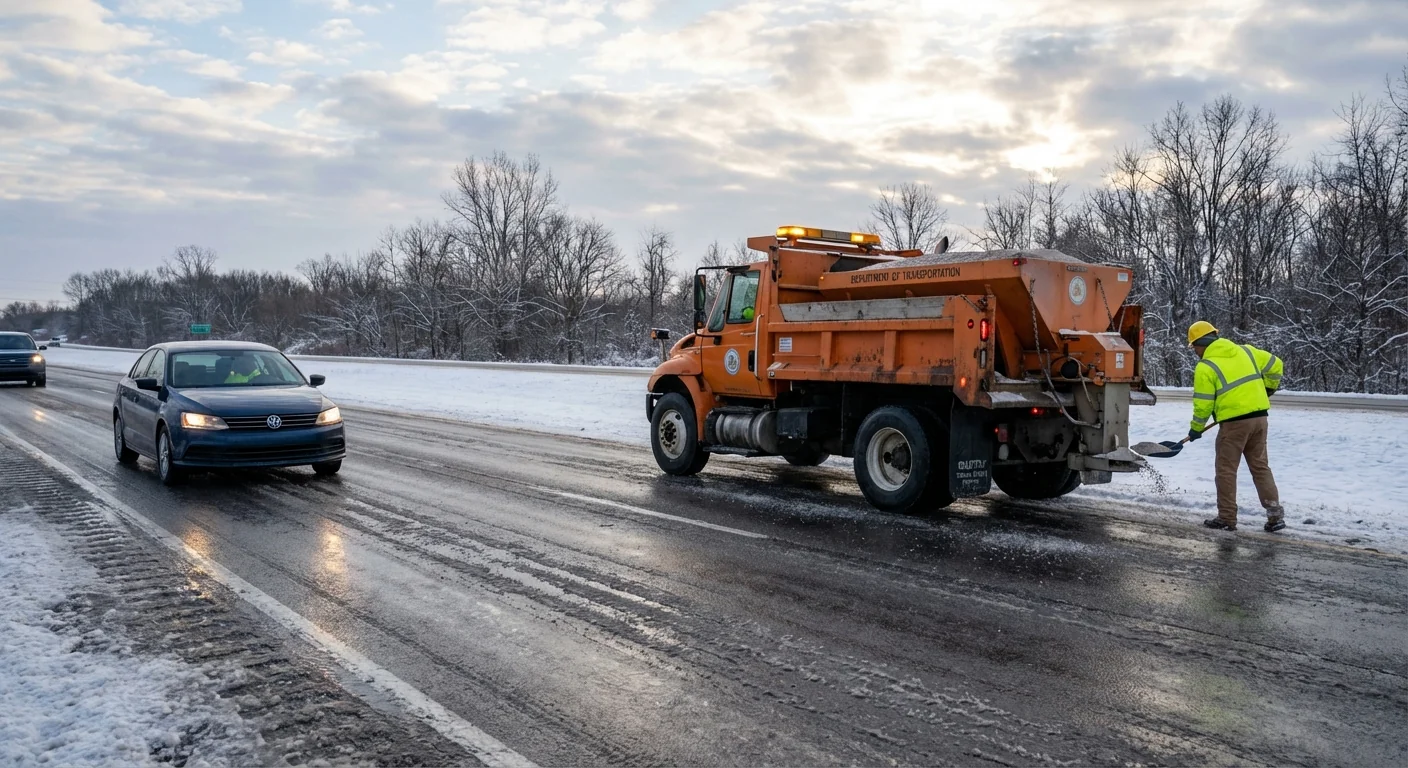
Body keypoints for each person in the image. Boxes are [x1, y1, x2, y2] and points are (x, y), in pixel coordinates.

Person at [1186, 321, 1286, 533]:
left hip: (1234, 425)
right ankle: (1275, 516)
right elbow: (1276, 364)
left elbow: (1203, 403)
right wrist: (1269, 389)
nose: (1194, 352)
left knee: (1226, 470)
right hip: (1260, 419)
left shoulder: (1206, 366)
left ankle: (1226, 518)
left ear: (1201, 343)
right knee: (1260, 467)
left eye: (1194, 347)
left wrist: (1196, 428)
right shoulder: (1246, 351)